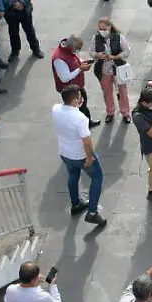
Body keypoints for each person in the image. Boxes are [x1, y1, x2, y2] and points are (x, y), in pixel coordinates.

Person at [53, 86, 107, 226]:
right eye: (79, 97)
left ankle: (76, 203)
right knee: (97, 177)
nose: (81, 99)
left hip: (65, 152)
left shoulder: (56, 109)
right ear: (75, 100)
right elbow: (87, 142)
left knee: (73, 175)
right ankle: (92, 212)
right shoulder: (80, 118)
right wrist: (89, 158)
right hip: (79, 154)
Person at [52, 35, 100, 128]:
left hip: (77, 85)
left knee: (83, 103)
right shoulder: (59, 59)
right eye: (78, 49)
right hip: (69, 89)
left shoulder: (68, 50)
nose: (78, 51)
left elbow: (74, 59)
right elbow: (65, 78)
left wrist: (82, 62)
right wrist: (80, 69)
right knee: (76, 108)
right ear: (72, 47)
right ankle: (81, 126)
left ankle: (87, 122)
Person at [93, 17, 132, 123]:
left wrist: (115, 57)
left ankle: (125, 113)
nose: (102, 32)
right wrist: (97, 55)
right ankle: (110, 112)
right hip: (104, 70)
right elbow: (91, 52)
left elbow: (127, 51)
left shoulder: (119, 37)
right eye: (100, 29)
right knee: (107, 92)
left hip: (118, 69)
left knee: (123, 92)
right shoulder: (96, 38)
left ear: (110, 27)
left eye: (104, 29)